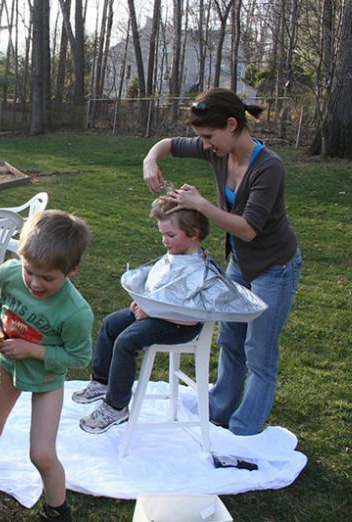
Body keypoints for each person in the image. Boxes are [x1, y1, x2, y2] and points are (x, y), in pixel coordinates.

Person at [142, 87, 302, 436]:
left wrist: (200, 205)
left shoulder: (268, 167)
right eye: (201, 138)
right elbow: (168, 144)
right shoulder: (217, 150)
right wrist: (150, 160)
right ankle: (219, 410)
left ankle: (245, 428)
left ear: (232, 125)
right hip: (240, 264)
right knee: (230, 341)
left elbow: (248, 230)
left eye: (209, 137)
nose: (205, 144)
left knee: (259, 350)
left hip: (275, 267)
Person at [0, 209, 94, 522]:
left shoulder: (76, 312)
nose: (35, 283)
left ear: (72, 271)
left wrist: (34, 351)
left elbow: (79, 357)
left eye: (48, 278)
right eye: (30, 272)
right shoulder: (11, 273)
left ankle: (57, 510)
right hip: (7, 367)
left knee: (41, 453)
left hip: (48, 380)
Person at [74, 197, 208, 434]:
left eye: (170, 235)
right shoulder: (178, 254)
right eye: (162, 234)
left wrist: (150, 311)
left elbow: (192, 314)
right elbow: (163, 286)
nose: (164, 240)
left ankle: (116, 407)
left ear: (193, 233)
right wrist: (141, 302)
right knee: (112, 323)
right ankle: (103, 382)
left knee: (127, 340)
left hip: (181, 325)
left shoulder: (199, 267)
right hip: (156, 314)